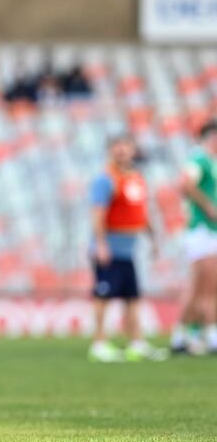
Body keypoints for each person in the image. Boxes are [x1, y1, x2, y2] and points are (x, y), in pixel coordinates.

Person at [88, 134, 167, 363]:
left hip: (128, 249)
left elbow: (140, 212)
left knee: (132, 298)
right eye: (117, 147)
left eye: (125, 146)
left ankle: (136, 343)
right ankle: (99, 343)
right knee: (103, 296)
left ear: (133, 150)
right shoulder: (105, 180)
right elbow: (98, 214)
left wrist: (152, 238)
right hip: (110, 247)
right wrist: (101, 244)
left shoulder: (136, 178)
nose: (121, 151)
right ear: (110, 151)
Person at [169, 120, 217, 355]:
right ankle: (208, 335)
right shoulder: (200, 159)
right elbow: (185, 184)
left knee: (202, 287)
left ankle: (185, 335)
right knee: (207, 286)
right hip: (202, 230)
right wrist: (208, 207)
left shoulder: (209, 161)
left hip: (208, 231)